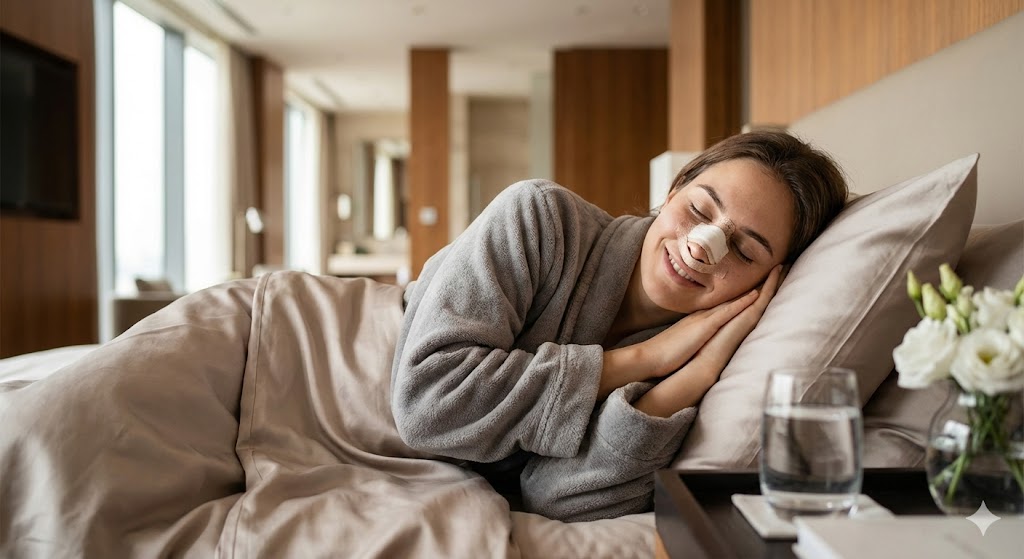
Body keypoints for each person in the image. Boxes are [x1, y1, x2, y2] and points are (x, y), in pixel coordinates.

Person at [390, 130, 849, 521]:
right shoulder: (539, 218)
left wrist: (688, 378)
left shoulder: (722, 361)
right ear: (673, 190)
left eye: (745, 252)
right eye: (698, 211)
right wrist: (642, 358)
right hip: (348, 374)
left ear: (773, 279)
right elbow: (427, 401)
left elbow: (558, 500)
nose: (700, 247)